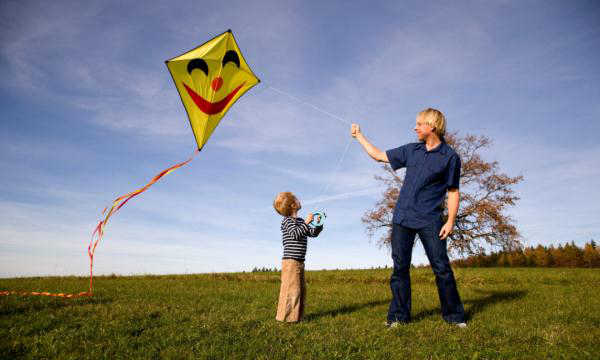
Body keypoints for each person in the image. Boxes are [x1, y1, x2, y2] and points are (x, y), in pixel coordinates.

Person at [351, 108, 467, 328]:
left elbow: (453, 191)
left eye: (419, 124)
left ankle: (454, 317)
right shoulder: (411, 150)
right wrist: (359, 137)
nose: (415, 127)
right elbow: (378, 156)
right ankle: (398, 317)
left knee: (441, 268)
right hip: (402, 217)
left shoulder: (450, 157)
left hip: (430, 220)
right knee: (400, 268)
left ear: (432, 126)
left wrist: (450, 221)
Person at [273, 192, 323, 323]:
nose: (299, 199)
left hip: (300, 261)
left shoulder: (301, 221)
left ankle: (298, 317)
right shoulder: (287, 221)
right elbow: (295, 234)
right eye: (296, 198)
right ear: (293, 205)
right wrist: (306, 223)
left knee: (300, 291)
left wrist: (318, 224)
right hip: (290, 262)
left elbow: (312, 233)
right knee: (291, 291)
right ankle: (286, 318)